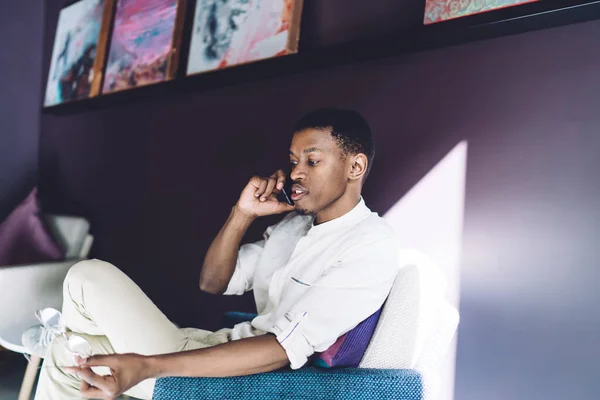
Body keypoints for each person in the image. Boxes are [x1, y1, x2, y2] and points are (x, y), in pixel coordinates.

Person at [31, 108, 400, 399]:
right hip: (216, 344)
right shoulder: (294, 228)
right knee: (69, 354)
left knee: (86, 276)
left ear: (355, 166)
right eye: (293, 161)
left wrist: (149, 366)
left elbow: (280, 349)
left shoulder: (369, 244)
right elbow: (212, 281)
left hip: (241, 382)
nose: (296, 173)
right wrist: (242, 214)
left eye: (312, 161)